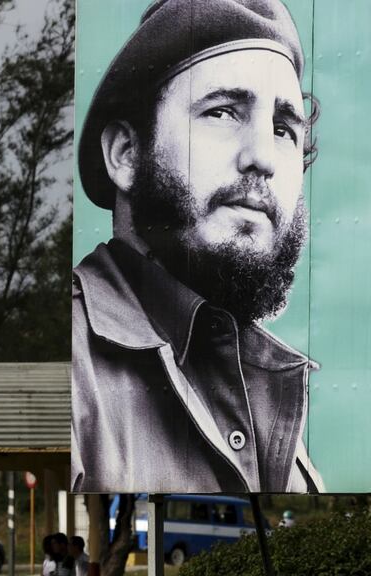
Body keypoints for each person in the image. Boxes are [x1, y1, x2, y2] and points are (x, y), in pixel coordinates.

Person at [72, 0, 325, 493]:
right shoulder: (71, 370)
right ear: (126, 155)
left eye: (283, 129)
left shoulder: (272, 396)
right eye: (223, 111)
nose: (263, 158)